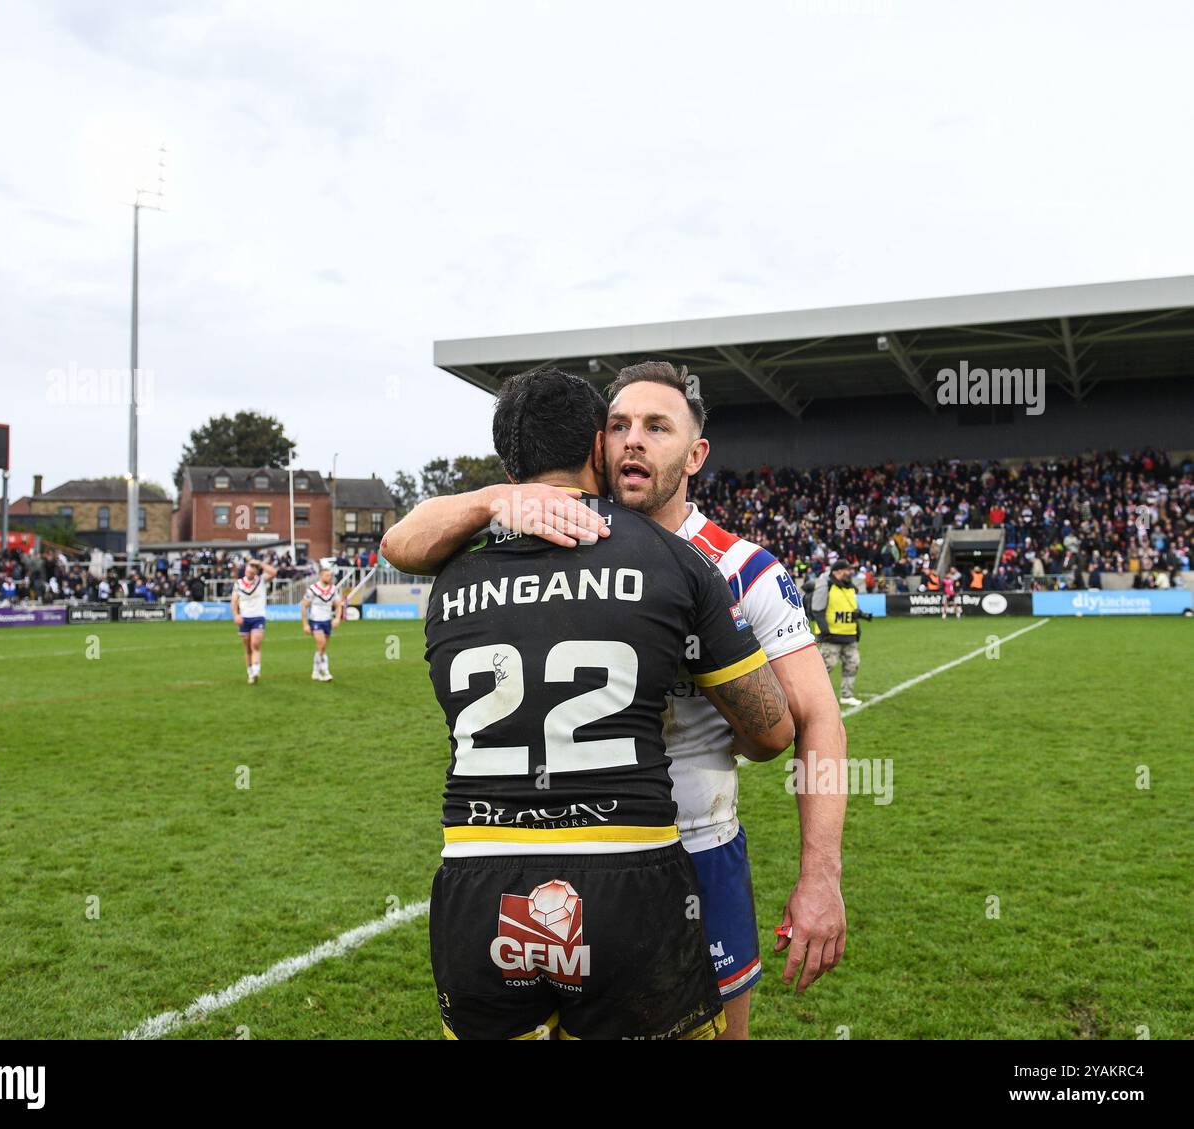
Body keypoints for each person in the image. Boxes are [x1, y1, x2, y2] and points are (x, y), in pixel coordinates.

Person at [386, 363, 846, 1038]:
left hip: (697, 845)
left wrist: (820, 876)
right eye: (618, 425)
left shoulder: (743, 567)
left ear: (696, 454)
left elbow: (815, 721)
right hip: (592, 858)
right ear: (594, 447)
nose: (633, 441)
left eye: (657, 427)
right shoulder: (540, 536)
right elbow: (400, 541)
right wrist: (490, 501)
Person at [811, 559, 871, 706]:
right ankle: (812, 696)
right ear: (837, 571)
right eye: (846, 570)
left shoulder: (849, 588)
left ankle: (847, 695)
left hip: (849, 635)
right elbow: (817, 610)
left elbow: (851, 609)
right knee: (826, 667)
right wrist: (825, 630)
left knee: (852, 665)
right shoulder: (826, 586)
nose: (850, 573)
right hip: (831, 636)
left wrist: (861, 617)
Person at [231, 557, 277, 684]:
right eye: (248, 571)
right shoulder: (238, 584)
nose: (249, 573)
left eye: (252, 571)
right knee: (247, 648)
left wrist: (260, 563)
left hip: (258, 616)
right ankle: (250, 671)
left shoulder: (261, 581)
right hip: (244, 617)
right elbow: (234, 600)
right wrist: (236, 614)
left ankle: (256, 669)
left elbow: (274, 572)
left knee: (255, 643)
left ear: (256, 572)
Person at [301, 561, 343, 682]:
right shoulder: (313, 589)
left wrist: (337, 618)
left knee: (323, 648)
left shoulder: (333, 589)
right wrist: (305, 624)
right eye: (326, 575)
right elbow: (304, 606)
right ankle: (325, 671)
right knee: (321, 643)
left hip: (327, 621)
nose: (329, 577)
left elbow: (338, 605)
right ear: (320, 576)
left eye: (330, 575)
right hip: (315, 621)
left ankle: (315, 672)